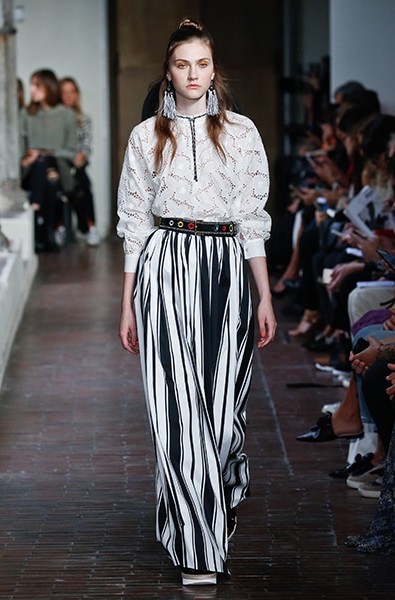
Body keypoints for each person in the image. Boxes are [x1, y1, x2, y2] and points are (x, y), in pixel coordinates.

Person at [117, 18, 276, 587]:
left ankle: (219, 490)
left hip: (227, 268)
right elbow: (134, 222)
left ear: (214, 70)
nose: (192, 74)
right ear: (168, 71)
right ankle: (197, 546)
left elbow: (253, 217)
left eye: (202, 64)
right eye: (182, 64)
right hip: (165, 267)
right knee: (178, 409)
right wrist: (127, 302)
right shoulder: (145, 137)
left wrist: (264, 295)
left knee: (223, 412)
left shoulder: (242, 132)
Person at [20, 69, 78, 252]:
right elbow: (19, 151)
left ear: (49, 87)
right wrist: (28, 158)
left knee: (46, 165)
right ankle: (48, 233)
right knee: (46, 174)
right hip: (31, 171)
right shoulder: (26, 114)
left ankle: (38, 218)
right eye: (31, 85)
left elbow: (72, 152)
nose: (32, 90)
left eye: (37, 85)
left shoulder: (67, 115)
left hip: (59, 169)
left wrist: (47, 153)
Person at [60, 77, 101, 247]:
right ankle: (61, 227)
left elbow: (86, 144)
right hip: (61, 162)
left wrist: (81, 156)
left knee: (83, 184)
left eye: (72, 92)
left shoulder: (84, 118)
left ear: (77, 94)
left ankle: (91, 227)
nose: (68, 96)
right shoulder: (56, 119)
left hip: (78, 164)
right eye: (64, 92)